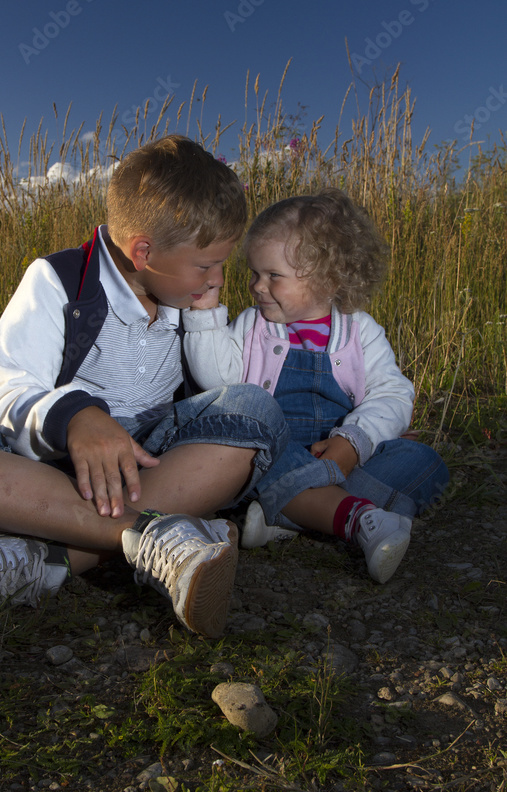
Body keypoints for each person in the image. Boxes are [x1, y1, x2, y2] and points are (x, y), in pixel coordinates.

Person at [0, 135, 287, 637]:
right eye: (206, 265)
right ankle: (156, 534)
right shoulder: (58, 278)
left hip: (152, 460)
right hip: (49, 463)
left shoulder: (190, 302)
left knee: (256, 409)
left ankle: (42, 560)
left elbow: (224, 391)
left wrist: (206, 314)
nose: (217, 279)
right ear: (144, 252)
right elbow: (9, 391)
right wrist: (78, 417)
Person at [183, 188, 449, 583]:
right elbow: (219, 380)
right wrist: (204, 316)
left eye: (274, 276)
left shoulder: (360, 332)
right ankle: (355, 517)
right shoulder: (253, 326)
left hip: (340, 457)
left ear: (327, 279)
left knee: (422, 460)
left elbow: (392, 395)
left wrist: (354, 442)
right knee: (256, 458)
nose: (257, 286)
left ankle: (292, 514)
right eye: (255, 273)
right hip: (278, 451)